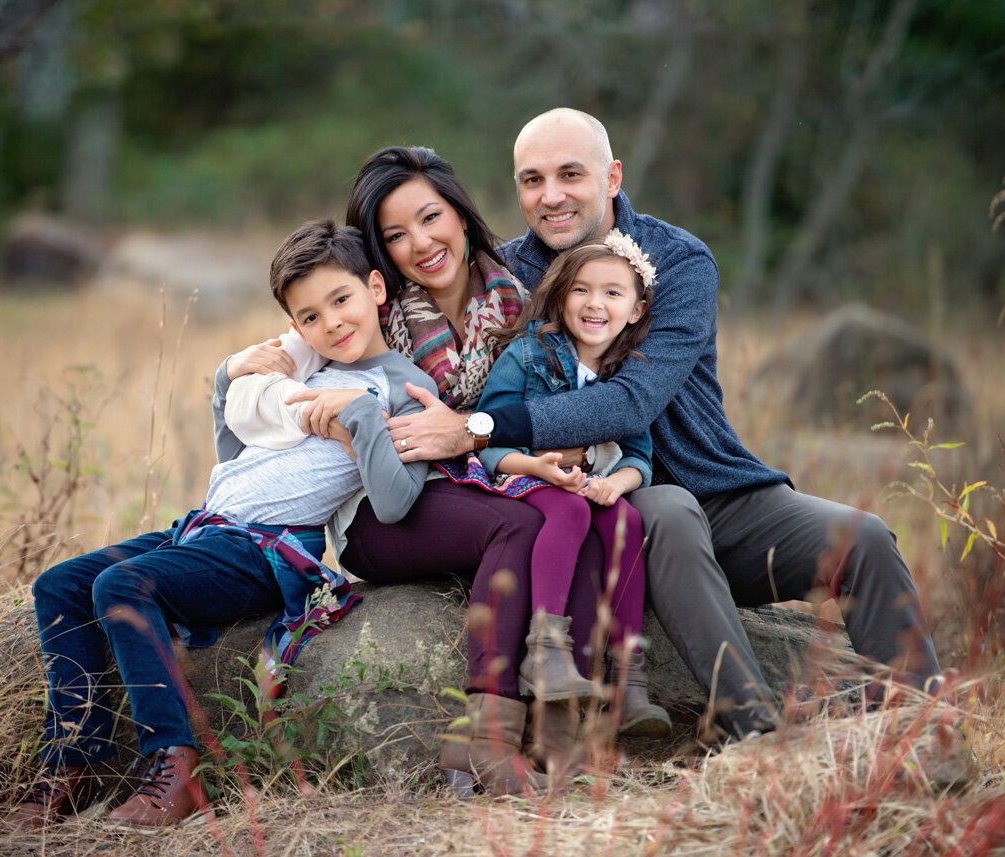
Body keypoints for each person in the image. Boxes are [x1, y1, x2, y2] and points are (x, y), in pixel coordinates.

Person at [387, 108, 943, 740]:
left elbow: (630, 403)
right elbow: (366, 299)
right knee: (670, 509)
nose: (551, 196)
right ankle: (760, 737)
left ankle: (927, 733)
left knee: (862, 538)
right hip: (611, 507)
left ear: (613, 176)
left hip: (719, 493)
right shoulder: (508, 276)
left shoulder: (677, 262)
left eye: (571, 174)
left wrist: (477, 427)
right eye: (531, 179)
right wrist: (276, 357)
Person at [0, 219, 433, 833]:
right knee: (59, 585)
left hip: (269, 551)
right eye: (309, 316)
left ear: (376, 289)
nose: (331, 323)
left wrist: (361, 417)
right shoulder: (301, 369)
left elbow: (396, 502)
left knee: (123, 588)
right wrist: (227, 382)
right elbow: (235, 455)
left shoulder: (401, 386)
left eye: (341, 300)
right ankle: (72, 760)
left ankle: (173, 764)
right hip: (203, 530)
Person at [227, 147, 559, 797]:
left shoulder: (512, 306)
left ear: (462, 214)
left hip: (444, 485)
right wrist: (239, 368)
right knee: (514, 525)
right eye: (395, 235)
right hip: (374, 517)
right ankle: (486, 738)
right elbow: (278, 363)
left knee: (540, 517)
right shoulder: (341, 327)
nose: (419, 244)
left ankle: (550, 721)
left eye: (430, 218)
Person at [464, 232, 670, 738]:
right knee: (572, 512)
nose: (595, 303)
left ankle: (628, 681)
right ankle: (545, 650)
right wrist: (537, 467)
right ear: (560, 297)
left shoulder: (628, 375)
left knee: (625, 520)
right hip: (523, 479)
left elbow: (640, 456)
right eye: (581, 290)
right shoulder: (528, 354)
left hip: (587, 485)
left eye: (613, 293)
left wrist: (616, 484)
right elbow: (485, 438)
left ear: (637, 310)